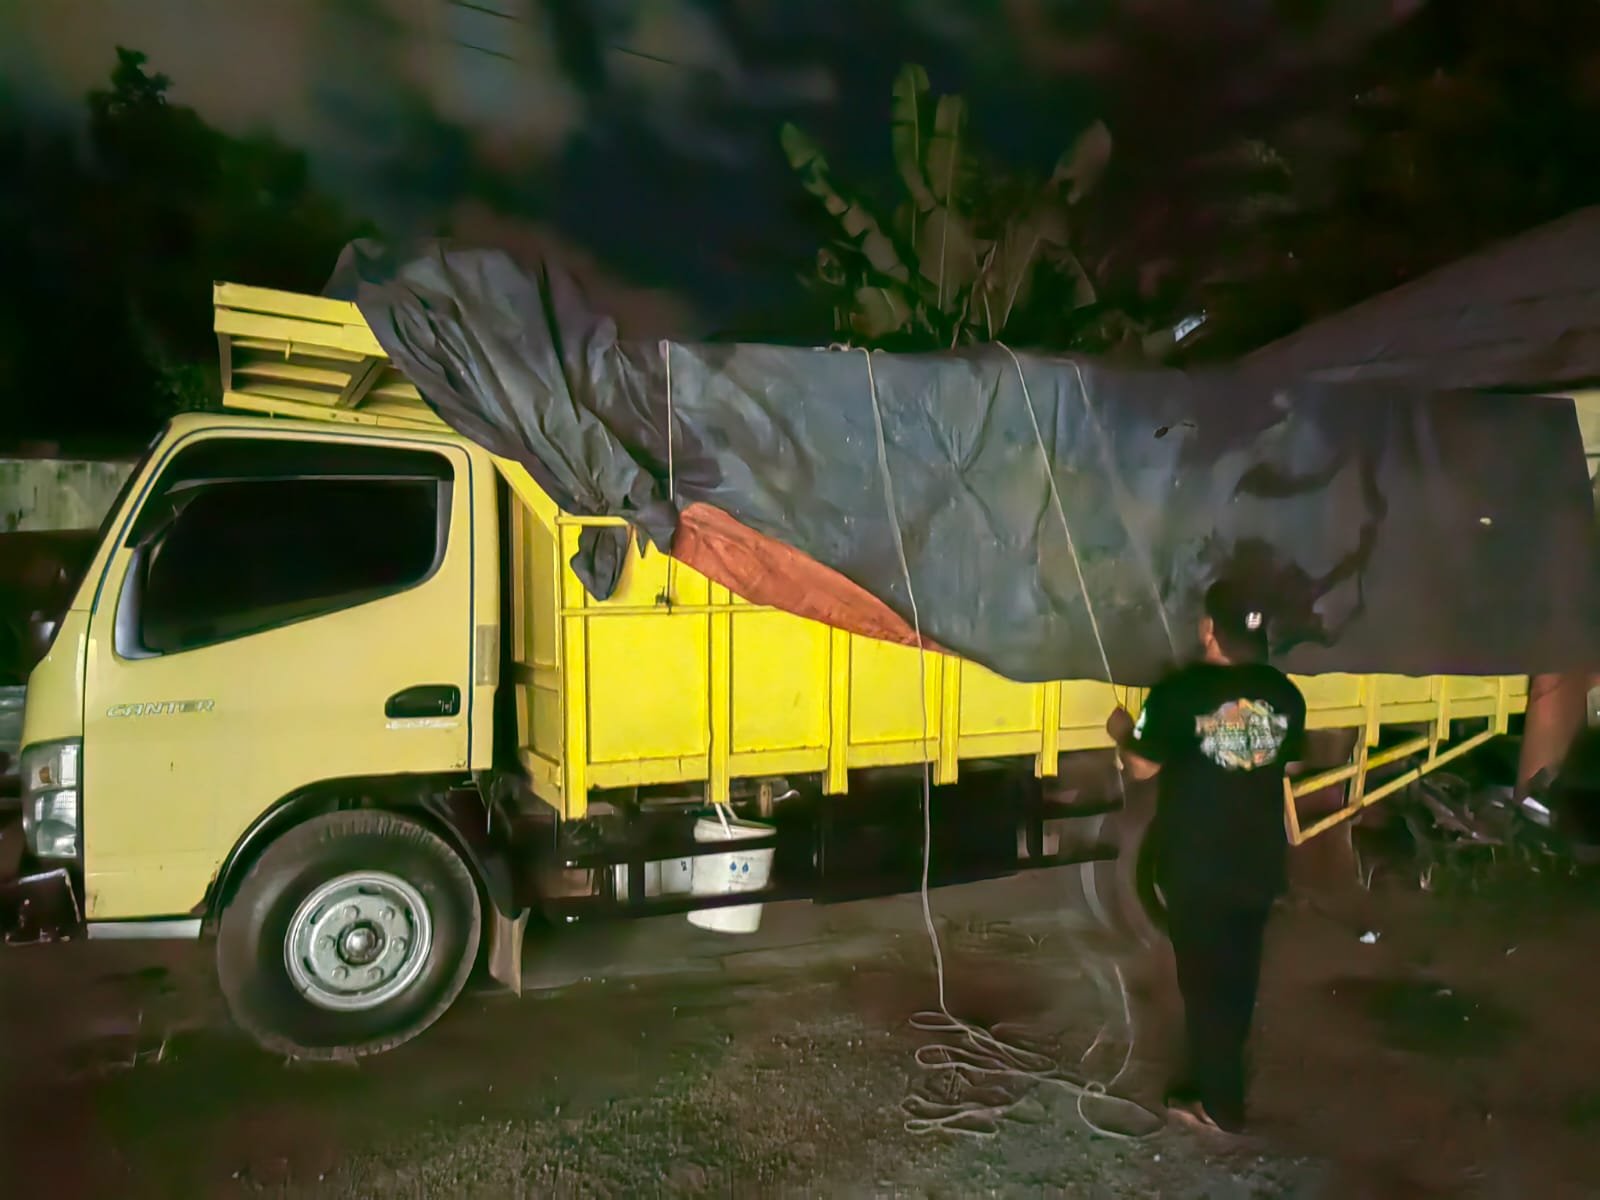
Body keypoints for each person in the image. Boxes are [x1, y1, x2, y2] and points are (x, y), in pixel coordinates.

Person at [1104, 578, 1306, 1138]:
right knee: (1237, 977)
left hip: (1198, 864)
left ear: (1209, 629)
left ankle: (1218, 1105)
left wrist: (1121, 731)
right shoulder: (1285, 693)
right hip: (1259, 860)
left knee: (1205, 984)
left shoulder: (1178, 692)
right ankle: (1221, 1086)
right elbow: (1288, 764)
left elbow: (1141, 767)